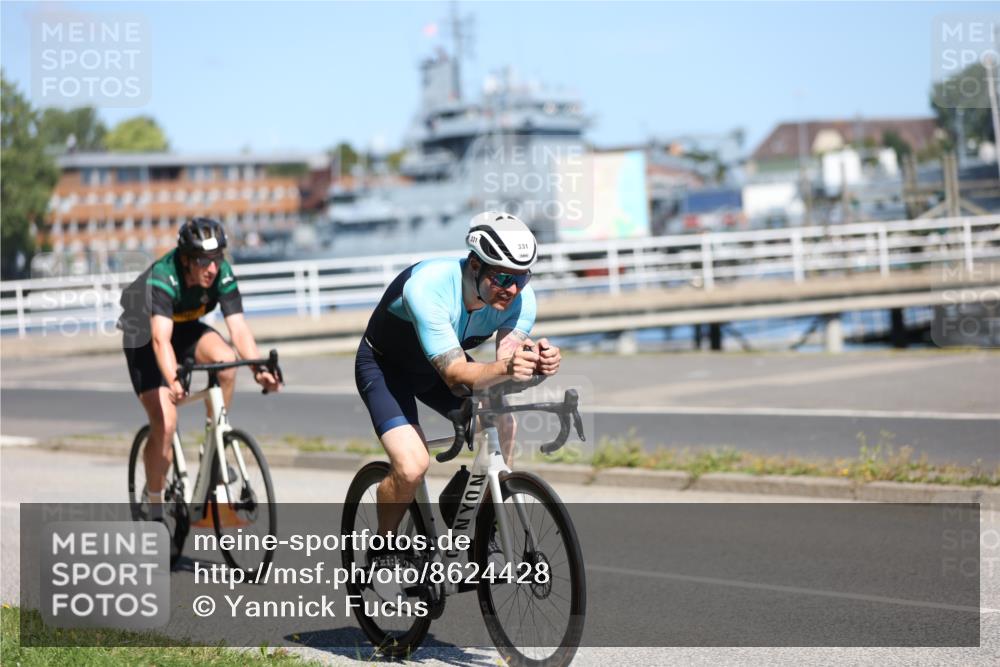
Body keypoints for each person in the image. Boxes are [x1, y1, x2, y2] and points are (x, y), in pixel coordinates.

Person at [355, 211, 561, 552]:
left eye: (520, 279)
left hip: (438, 366)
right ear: (475, 265)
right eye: (501, 278)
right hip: (386, 369)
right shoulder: (429, 286)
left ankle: (480, 526)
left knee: (503, 422)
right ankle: (385, 547)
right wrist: (509, 368)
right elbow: (454, 373)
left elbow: (504, 366)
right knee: (411, 467)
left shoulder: (522, 300)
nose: (511, 290)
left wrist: (536, 363)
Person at [119, 217, 280, 521]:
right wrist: (173, 379)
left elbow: (239, 330)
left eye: (217, 259)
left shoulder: (221, 274)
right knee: (165, 423)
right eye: (204, 261)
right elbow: (160, 339)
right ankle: (154, 510)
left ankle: (214, 448)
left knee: (226, 362)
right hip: (145, 335)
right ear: (186, 259)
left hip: (185, 328)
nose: (212, 268)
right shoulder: (164, 276)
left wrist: (259, 369)